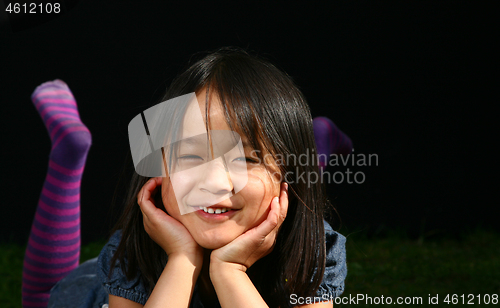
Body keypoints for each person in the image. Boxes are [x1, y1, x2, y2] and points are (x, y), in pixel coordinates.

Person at [23, 47, 348, 308]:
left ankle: (313, 140)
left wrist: (230, 272)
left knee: (282, 191)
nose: (215, 181)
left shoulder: (311, 245)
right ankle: (67, 160)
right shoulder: (132, 251)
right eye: (192, 156)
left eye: (247, 158)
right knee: (46, 296)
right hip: (96, 290)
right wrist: (181, 259)